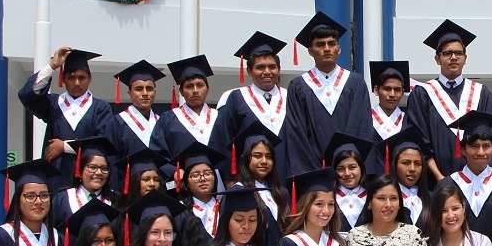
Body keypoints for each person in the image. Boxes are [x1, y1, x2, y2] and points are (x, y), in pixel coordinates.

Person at [406, 19, 492, 179]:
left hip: (477, 180)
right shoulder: (423, 93)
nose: (453, 57)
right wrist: (438, 177)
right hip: (436, 182)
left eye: (458, 53)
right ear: (437, 59)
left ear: (465, 58)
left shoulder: (481, 93)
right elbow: (419, 140)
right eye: (447, 53)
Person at [284, 12, 372, 175]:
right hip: (314, 171)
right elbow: (297, 134)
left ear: (339, 49)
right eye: (320, 45)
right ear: (310, 51)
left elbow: (361, 126)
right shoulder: (298, 86)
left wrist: (350, 164)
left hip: (350, 172)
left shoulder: (355, 82)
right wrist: (315, 173)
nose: (326, 49)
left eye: (331, 44)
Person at [17, 47, 113, 188]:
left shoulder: (100, 108)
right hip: (56, 179)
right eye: (71, 78)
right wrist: (52, 66)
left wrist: (64, 146)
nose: (76, 83)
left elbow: (102, 143)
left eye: (82, 78)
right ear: (63, 79)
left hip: (90, 179)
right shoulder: (54, 104)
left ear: (90, 78)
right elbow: (27, 94)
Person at [435, 111, 492, 240]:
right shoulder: (447, 184)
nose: (481, 152)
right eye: (474, 146)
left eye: (486, 146)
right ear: (462, 149)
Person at [150, 54, 227, 183]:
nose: (195, 91)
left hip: (219, 183)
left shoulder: (220, 117)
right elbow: (157, 154)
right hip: (182, 184)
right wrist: (173, 170)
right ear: (181, 91)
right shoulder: (168, 119)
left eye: (200, 85)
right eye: (189, 86)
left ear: (208, 88)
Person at [220, 33, 290, 168]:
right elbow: (224, 140)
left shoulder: (291, 98)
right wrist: (230, 178)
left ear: (279, 70)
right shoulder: (236, 98)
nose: (267, 72)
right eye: (260, 67)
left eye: (272, 66)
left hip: (286, 175)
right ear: (249, 71)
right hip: (248, 177)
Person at [227, 121, 287, 243]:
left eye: (269, 156)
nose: (264, 161)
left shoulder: (280, 192)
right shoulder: (238, 191)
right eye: (257, 155)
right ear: (245, 159)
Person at [172, 141, 225, 246]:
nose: (202, 178)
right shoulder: (179, 211)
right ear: (186, 182)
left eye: (207, 173)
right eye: (195, 175)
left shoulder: (225, 206)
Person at [49, 135, 119, 226]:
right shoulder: (62, 199)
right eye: (92, 167)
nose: (99, 172)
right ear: (80, 170)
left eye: (104, 168)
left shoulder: (117, 201)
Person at [366, 59, 419, 176]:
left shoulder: (409, 121)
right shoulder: (365, 120)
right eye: (387, 89)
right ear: (376, 90)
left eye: (397, 90)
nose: (392, 94)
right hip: (372, 182)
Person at [105, 60, 166, 157]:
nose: (145, 93)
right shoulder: (117, 123)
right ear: (129, 94)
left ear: (155, 93)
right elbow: (111, 159)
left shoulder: (162, 123)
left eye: (149, 89)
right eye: (139, 89)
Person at [382, 127, 434, 232]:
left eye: (418, 163)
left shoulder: (431, 198)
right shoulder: (383, 199)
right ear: (394, 165)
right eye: (406, 163)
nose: (412, 169)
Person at [325, 132, 374, 233]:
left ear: (361, 168)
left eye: (352, 167)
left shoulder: (373, 196)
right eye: (341, 169)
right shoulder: (328, 197)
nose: (347, 173)